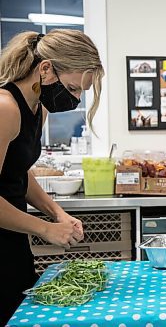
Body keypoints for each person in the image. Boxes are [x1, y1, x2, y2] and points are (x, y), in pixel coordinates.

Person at [0, 29, 104, 324]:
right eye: (72, 88)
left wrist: (57, 213)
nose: (77, 98)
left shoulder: (37, 107)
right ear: (46, 69)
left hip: (12, 239)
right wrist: (44, 229)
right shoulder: (5, 108)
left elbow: (17, 173)